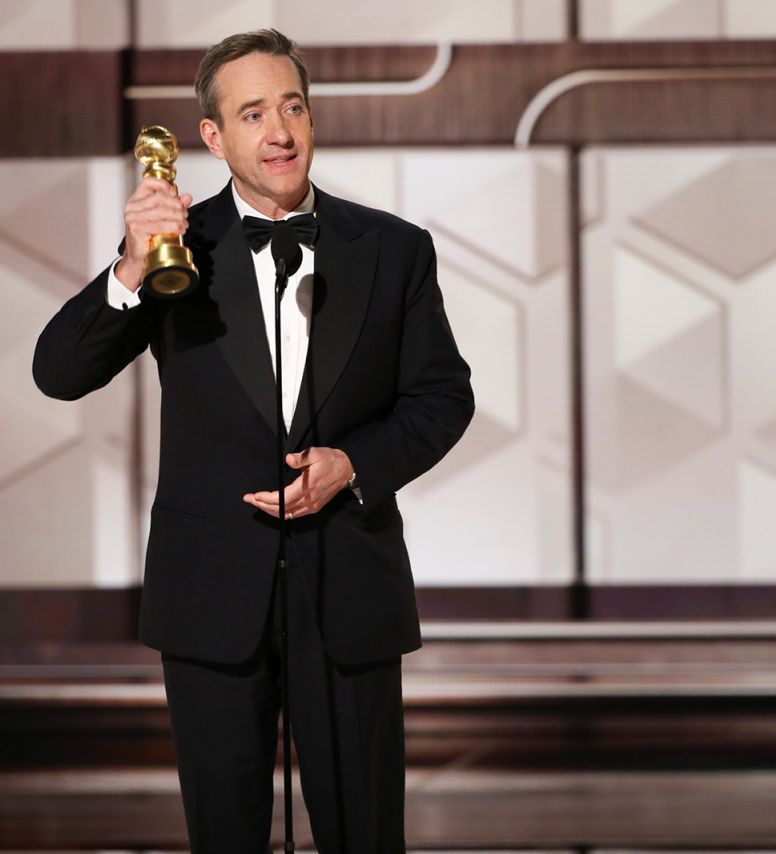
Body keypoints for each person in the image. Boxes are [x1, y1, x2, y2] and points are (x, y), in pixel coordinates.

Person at [33, 28, 473, 854]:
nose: (280, 132)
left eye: (293, 107)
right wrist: (130, 268)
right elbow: (58, 371)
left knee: (367, 836)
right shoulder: (174, 251)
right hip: (210, 596)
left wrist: (354, 466)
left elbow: (443, 397)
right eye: (254, 114)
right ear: (213, 137)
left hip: (349, 589)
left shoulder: (393, 250)